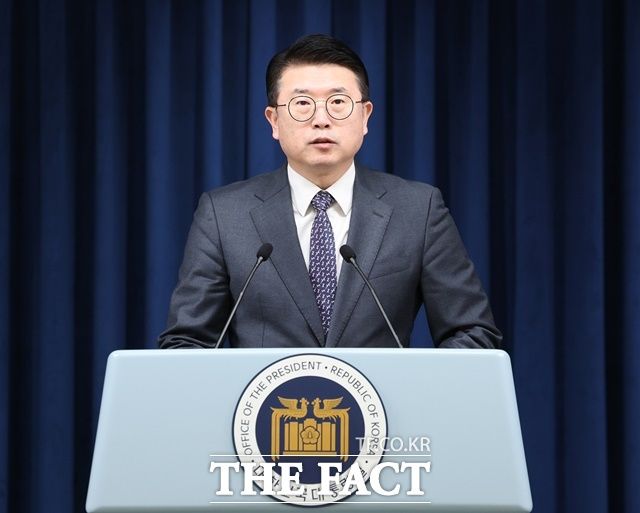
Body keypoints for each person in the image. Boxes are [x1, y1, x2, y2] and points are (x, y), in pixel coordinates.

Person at [158, 34, 501, 349]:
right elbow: (186, 344)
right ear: (274, 121)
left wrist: (411, 387)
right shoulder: (224, 215)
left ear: (365, 116)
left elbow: (473, 334)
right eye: (302, 104)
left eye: (338, 102)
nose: (321, 119)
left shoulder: (417, 210)